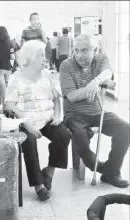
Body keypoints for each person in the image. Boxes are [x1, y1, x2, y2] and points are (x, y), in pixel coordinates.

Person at [59, 34, 130, 188]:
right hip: (73, 114)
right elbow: (71, 96)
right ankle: (99, 167)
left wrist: (96, 82)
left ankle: (112, 172)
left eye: (84, 50)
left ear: (95, 50)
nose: (79, 55)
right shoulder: (66, 65)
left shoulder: (101, 59)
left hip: (98, 112)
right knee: (80, 133)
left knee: (125, 128)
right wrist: (96, 85)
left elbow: (108, 73)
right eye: (76, 50)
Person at [5, 40, 71, 201]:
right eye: (40, 55)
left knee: (64, 135)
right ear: (29, 58)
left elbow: (56, 99)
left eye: (45, 54)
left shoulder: (48, 75)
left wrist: (57, 116)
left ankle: (49, 171)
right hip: (25, 121)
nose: (45, 58)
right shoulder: (16, 78)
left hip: (47, 119)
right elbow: (9, 104)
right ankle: (38, 185)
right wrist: (28, 124)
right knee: (29, 141)